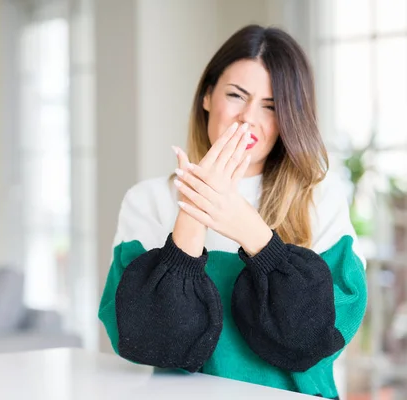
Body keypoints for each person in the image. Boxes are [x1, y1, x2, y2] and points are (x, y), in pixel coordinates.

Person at [98, 24, 367, 399]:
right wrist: (193, 212)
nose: (248, 118)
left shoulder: (320, 198)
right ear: (208, 96)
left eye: (272, 106)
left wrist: (254, 235)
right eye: (236, 95)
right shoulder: (147, 201)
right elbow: (143, 342)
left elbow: (318, 338)